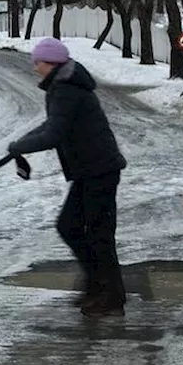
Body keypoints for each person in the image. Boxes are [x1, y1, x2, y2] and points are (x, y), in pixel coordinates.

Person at [7, 37, 128, 318]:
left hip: (99, 169)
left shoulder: (66, 89)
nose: (35, 68)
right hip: (91, 170)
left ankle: (111, 297)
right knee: (70, 226)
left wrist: (20, 146)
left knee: (98, 235)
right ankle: (97, 285)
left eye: (38, 62)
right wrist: (22, 141)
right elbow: (53, 124)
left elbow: (54, 134)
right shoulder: (65, 85)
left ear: (50, 63)